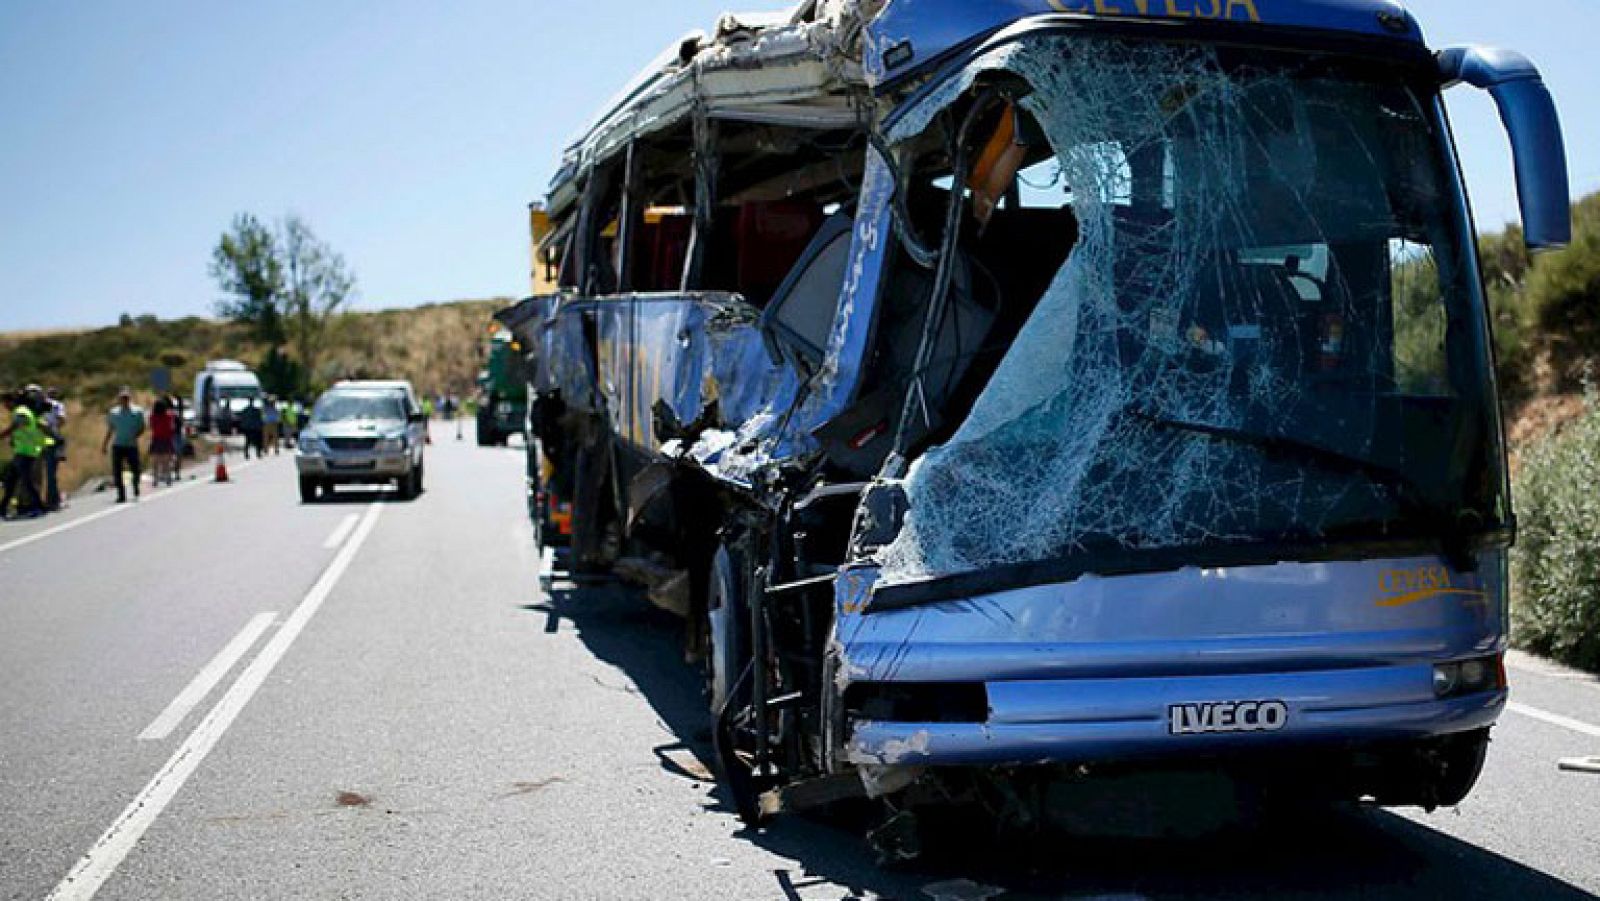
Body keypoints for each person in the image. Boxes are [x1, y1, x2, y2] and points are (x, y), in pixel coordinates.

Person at [1, 391, 48, 519]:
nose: (5, 407)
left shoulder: (21, 411)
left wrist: (3, 434)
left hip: (26, 452)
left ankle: (38, 506)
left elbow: (19, 424)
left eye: (5, 404)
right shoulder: (23, 410)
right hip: (22, 451)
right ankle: (3, 508)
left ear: (10, 402)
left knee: (26, 482)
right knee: (10, 480)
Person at [102, 388, 146, 503]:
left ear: (129, 399)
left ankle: (135, 487)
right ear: (119, 400)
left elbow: (142, 427)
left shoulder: (137, 411)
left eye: (126, 398)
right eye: (122, 398)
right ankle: (121, 495)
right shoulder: (114, 413)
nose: (124, 400)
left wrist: (135, 435)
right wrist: (105, 444)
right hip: (118, 445)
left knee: (135, 469)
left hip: (131, 444)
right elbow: (110, 429)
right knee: (117, 471)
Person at [41, 387, 67, 510]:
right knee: (51, 472)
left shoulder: (40, 405)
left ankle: (50, 499)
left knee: (47, 472)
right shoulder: (58, 405)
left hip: (41, 439)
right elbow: (62, 420)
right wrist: (54, 428)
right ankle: (52, 499)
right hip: (52, 438)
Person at [149, 396, 178, 486]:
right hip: (167, 439)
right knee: (166, 461)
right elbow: (172, 427)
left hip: (156, 439)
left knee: (156, 461)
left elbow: (151, 427)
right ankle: (168, 478)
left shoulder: (153, 417)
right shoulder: (169, 416)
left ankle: (155, 479)